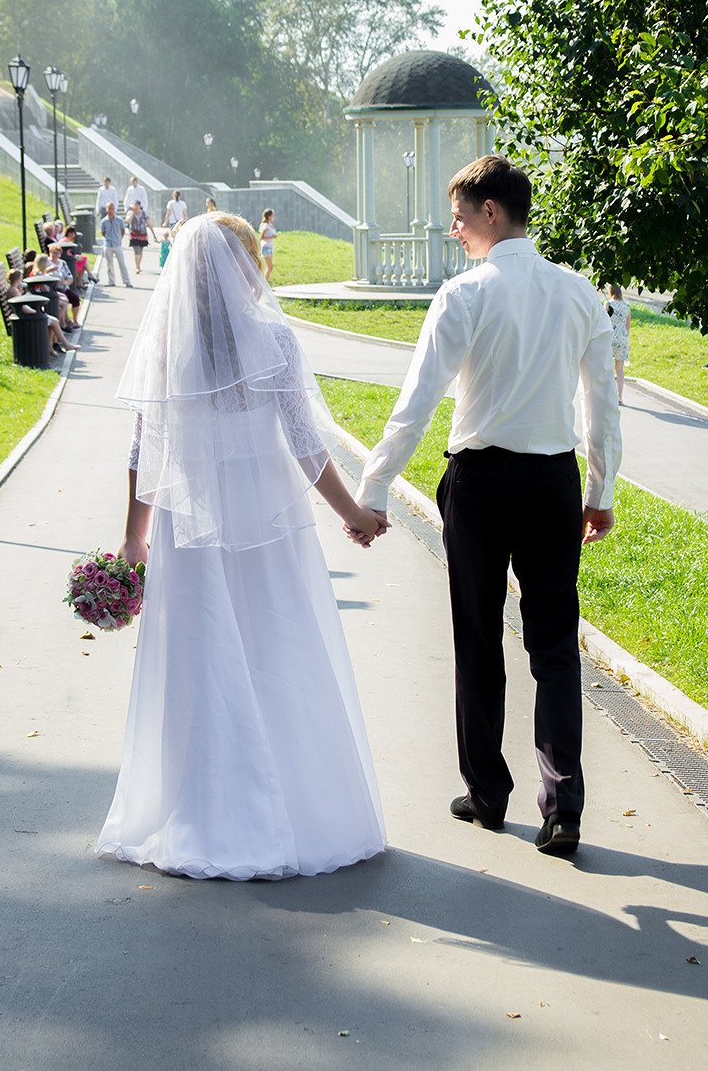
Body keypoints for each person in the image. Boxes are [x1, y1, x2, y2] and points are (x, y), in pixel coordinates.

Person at [96, 212, 387, 880]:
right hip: (264, 525)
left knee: (200, 662)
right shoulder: (275, 342)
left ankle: (198, 809)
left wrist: (133, 538)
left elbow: (145, 453)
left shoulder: (167, 349)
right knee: (278, 652)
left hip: (188, 528)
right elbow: (306, 447)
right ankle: (297, 806)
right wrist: (357, 515)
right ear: (245, 267)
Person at [352, 155, 621, 857]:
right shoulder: (579, 293)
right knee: (555, 643)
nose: (455, 228)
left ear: (492, 212)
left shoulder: (465, 294)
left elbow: (417, 403)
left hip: (480, 480)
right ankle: (563, 806)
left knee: (477, 638)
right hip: (553, 482)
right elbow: (603, 406)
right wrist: (600, 492)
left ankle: (487, 794)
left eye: (461, 216)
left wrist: (374, 488)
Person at [6, 269, 79, 355]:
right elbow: (22, 306)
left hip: (24, 315)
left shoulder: (15, 289)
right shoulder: (13, 290)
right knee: (54, 322)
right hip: (25, 317)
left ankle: (50, 347)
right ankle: (64, 345)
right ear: (18, 279)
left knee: (52, 320)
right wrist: (34, 312)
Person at [605, 283, 632, 405]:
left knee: (608, 367)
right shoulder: (627, 306)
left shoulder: (608, 304)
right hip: (622, 340)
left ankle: (609, 394)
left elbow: (603, 322)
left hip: (609, 338)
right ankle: (620, 396)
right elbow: (628, 326)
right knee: (620, 369)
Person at [101, 202, 133, 287]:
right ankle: (111, 281)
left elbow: (123, 231)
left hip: (117, 244)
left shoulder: (119, 220)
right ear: (106, 210)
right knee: (109, 264)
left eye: (112, 208)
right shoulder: (104, 221)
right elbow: (103, 232)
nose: (111, 211)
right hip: (108, 244)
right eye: (109, 209)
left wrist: (119, 238)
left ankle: (126, 281)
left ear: (114, 209)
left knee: (122, 263)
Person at [127, 201, 149, 274]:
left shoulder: (143, 213)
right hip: (134, 234)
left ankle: (138, 265)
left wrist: (154, 234)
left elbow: (148, 223)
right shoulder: (130, 212)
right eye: (134, 205)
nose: (135, 206)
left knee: (140, 251)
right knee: (136, 250)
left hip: (142, 234)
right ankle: (137, 267)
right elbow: (128, 221)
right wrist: (133, 213)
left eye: (137, 205)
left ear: (139, 206)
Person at [258, 209, 278, 280]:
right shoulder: (265, 225)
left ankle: (266, 285)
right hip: (266, 247)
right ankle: (265, 285)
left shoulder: (270, 225)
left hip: (269, 246)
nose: (274, 217)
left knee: (270, 267)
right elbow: (261, 237)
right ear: (269, 216)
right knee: (270, 267)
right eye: (273, 215)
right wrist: (272, 237)